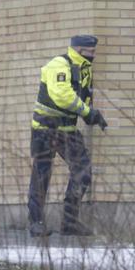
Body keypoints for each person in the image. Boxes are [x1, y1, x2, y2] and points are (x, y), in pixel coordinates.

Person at [27, 35, 108, 237]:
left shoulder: (84, 70)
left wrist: (91, 114)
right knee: (41, 175)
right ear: (80, 50)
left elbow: (82, 96)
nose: (94, 55)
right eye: (91, 52)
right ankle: (35, 222)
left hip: (67, 130)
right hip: (45, 129)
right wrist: (88, 112)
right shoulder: (59, 64)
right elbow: (62, 96)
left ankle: (69, 223)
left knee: (83, 171)